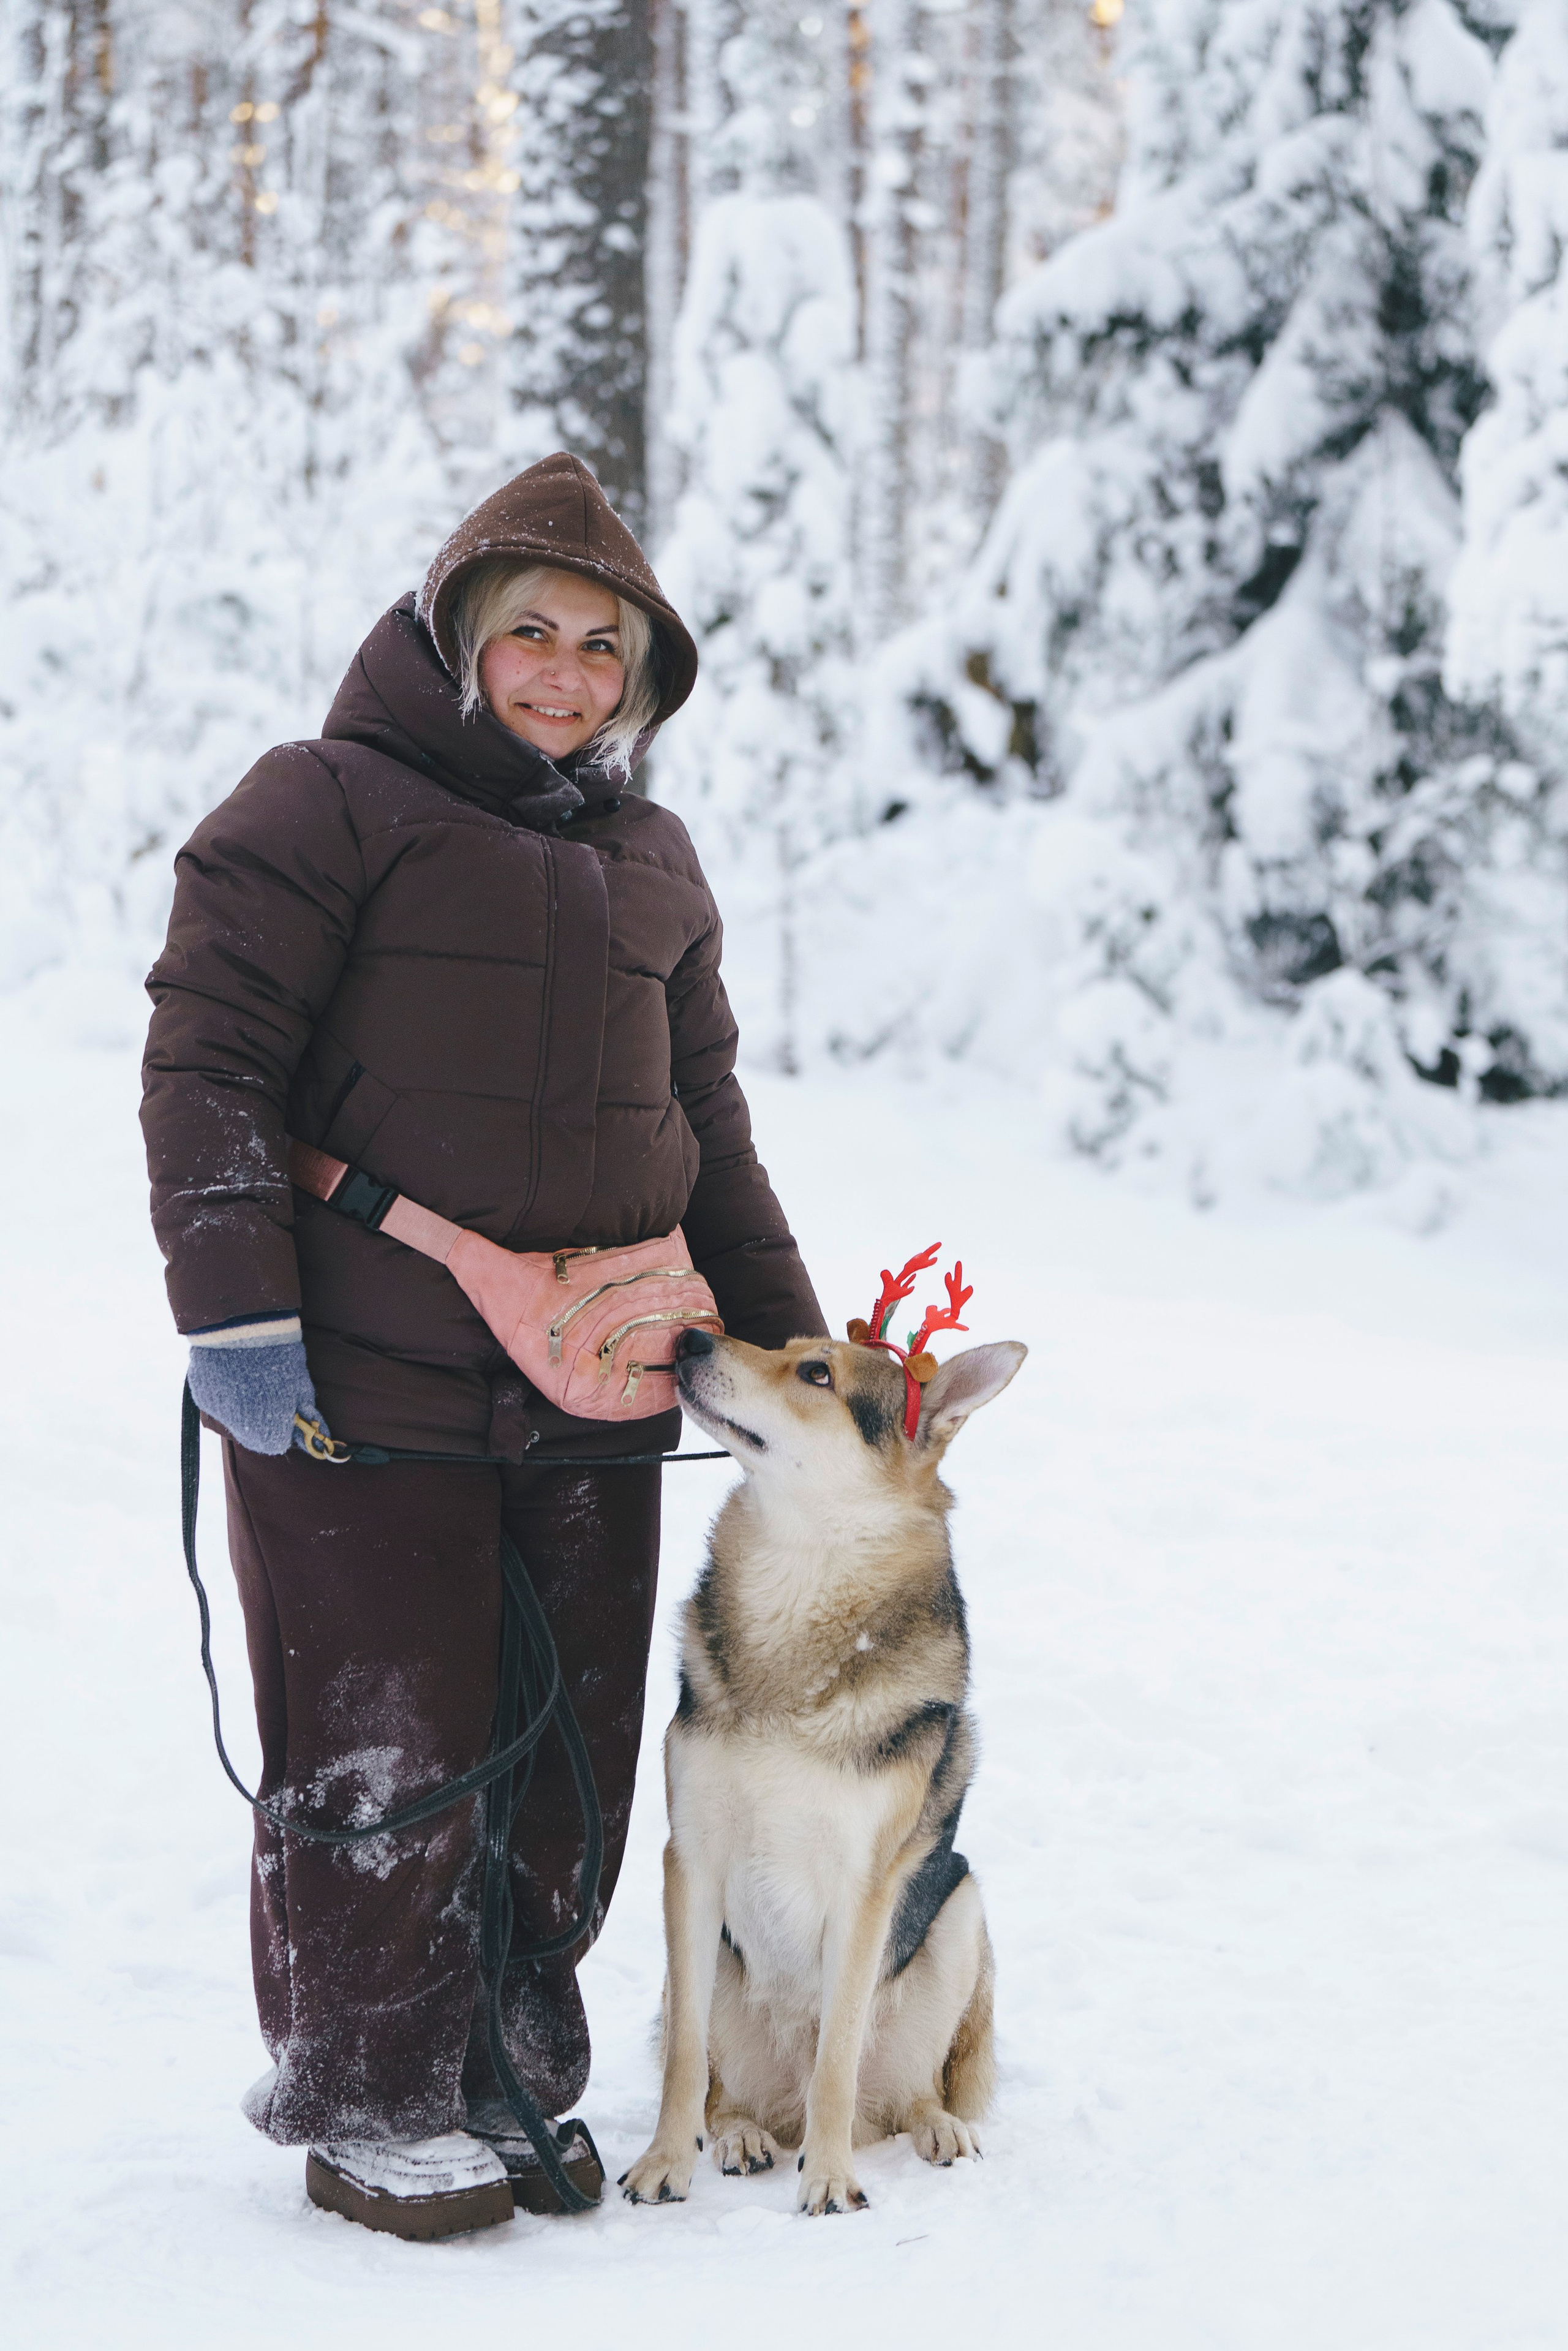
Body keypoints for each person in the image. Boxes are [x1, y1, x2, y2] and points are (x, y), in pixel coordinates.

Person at [140, 451, 824, 2238]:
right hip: (363, 1388)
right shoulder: (325, 803)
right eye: (531, 631)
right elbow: (209, 1057)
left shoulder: (654, 860)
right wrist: (237, 1320)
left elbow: (711, 1130)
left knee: (572, 1751)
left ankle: (510, 2066)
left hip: (599, 1384)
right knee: (394, 1751)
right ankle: (371, 2099)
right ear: (456, 636)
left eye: (608, 649)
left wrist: (801, 1359)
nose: (567, 673)